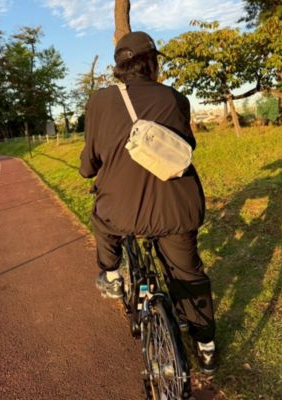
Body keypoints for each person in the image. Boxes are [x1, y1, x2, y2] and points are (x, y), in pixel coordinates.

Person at [79, 31, 218, 374]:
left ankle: (113, 275)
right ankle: (206, 347)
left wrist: (91, 168)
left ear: (118, 67)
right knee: (187, 274)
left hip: (121, 210)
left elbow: (89, 162)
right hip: (177, 207)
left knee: (101, 216)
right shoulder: (176, 98)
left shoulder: (99, 102)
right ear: (152, 63)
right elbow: (186, 146)